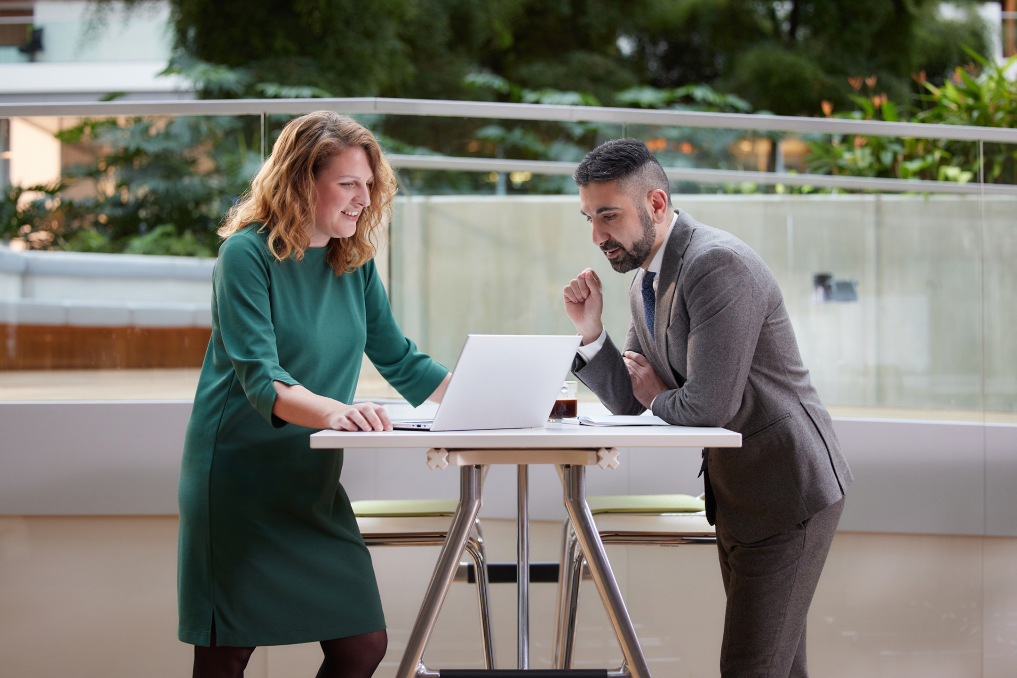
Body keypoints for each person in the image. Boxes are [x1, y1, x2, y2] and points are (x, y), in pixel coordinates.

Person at [562, 139, 853, 678]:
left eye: (608, 216)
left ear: (655, 204)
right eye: (589, 218)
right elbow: (632, 400)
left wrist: (656, 395)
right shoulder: (645, 280)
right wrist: (591, 334)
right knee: (776, 667)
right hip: (741, 492)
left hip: (788, 489)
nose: (598, 236)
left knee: (750, 667)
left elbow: (708, 405)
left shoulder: (715, 264)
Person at [177, 111, 451, 678]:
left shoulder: (352, 261)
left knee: (361, 645)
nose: (362, 198)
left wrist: (493, 397)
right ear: (302, 182)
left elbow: (399, 358)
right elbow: (261, 377)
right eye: (348, 183)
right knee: (228, 652)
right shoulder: (245, 256)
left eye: (368, 185)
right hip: (238, 479)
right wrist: (338, 412)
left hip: (311, 480)